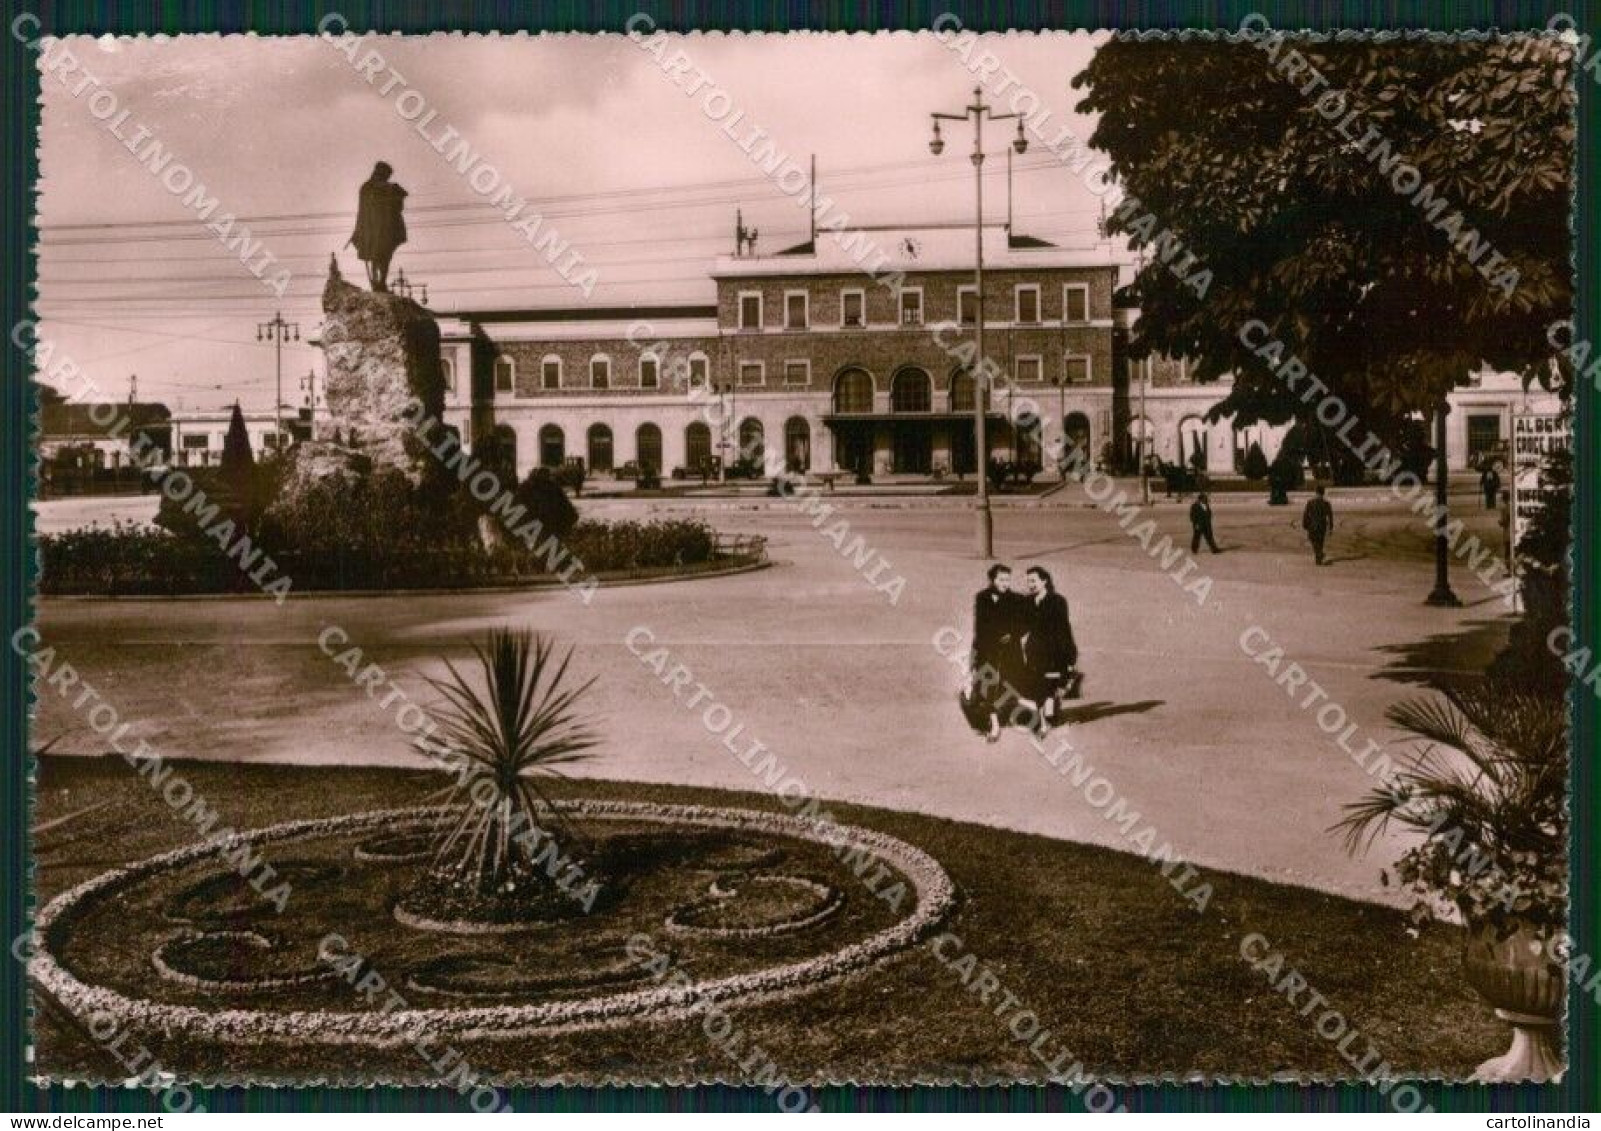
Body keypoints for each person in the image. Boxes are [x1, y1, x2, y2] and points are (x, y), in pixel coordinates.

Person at [967, 563, 1023, 742]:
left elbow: (1023, 624)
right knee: (987, 686)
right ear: (993, 579)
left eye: (1007, 579)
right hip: (987, 648)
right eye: (1001, 579)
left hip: (1009, 649)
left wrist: (1012, 634)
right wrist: (979, 651)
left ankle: (1010, 717)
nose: (1005, 583)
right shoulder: (982, 597)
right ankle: (993, 724)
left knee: (1010, 683)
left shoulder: (1016, 599)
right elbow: (980, 626)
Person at [1019, 566, 1078, 734]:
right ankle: (1044, 719)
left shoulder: (1058, 601)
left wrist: (1069, 656)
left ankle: (1047, 717)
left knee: (1049, 685)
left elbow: (1064, 629)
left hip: (1053, 650)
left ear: (1044, 581)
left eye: (1033, 581)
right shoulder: (1028, 601)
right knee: (1036, 685)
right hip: (1034, 650)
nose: (1030, 584)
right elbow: (1023, 626)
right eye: (1028, 581)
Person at [348, 161, 408, 293]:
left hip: (386, 228)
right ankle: (378, 282)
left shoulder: (384, 187)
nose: (387, 177)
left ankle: (380, 282)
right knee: (377, 256)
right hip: (374, 228)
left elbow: (399, 206)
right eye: (386, 174)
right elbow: (363, 209)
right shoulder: (368, 188)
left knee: (383, 256)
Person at [1302, 484, 1334, 565]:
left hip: (1312, 525)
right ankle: (1319, 556)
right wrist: (1330, 527)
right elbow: (1330, 516)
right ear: (1323, 493)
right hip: (1322, 525)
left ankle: (1319, 555)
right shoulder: (1326, 504)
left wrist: (1305, 524)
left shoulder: (1310, 502)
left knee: (1313, 540)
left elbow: (1306, 514)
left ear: (1316, 492)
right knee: (1320, 542)